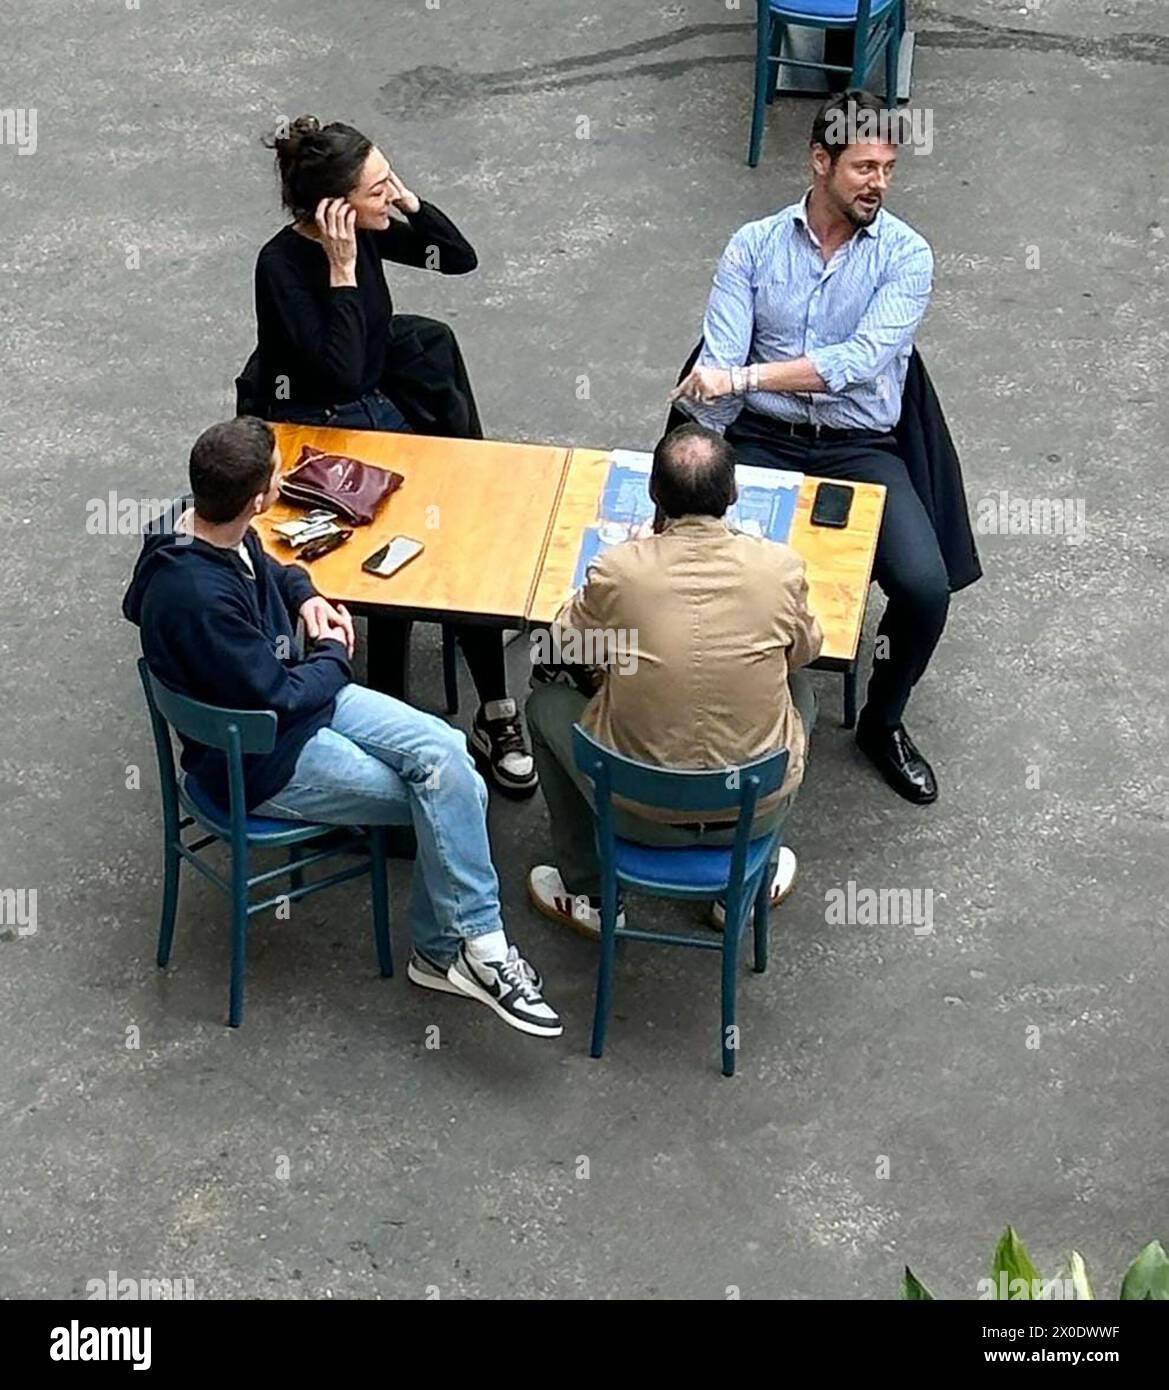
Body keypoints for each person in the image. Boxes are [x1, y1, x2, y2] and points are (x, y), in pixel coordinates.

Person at [122, 416, 560, 1038]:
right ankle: (462, 953)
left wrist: (304, 594)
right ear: (257, 498)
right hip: (264, 758)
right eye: (277, 475)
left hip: (297, 707)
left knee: (450, 756)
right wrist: (334, 655)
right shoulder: (200, 601)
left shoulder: (203, 526)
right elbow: (284, 694)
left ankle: (458, 951)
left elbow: (267, 565)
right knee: (446, 789)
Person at [671, 89, 948, 806]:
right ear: (819, 162)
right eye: (862, 167)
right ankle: (720, 716)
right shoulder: (752, 246)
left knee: (923, 587)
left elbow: (854, 360)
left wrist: (741, 375)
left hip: (860, 444)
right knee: (707, 570)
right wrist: (697, 463)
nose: (877, 183)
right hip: (762, 436)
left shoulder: (907, 254)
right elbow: (720, 361)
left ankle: (882, 721)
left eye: (887, 167)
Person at [249, 114, 535, 797]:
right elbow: (339, 374)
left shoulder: (371, 226)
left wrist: (407, 203)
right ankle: (395, 710)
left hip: (379, 397)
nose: (390, 197)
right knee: (412, 543)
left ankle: (494, 704)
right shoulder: (282, 266)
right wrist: (344, 273)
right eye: (377, 189)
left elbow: (456, 258)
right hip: (327, 424)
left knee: (459, 527)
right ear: (336, 211)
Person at [525, 423, 821, 937]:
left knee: (545, 704)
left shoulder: (619, 571)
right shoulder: (780, 568)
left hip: (638, 812)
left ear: (653, 495)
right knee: (800, 695)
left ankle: (591, 893)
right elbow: (804, 651)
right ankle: (747, 888)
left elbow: (565, 642)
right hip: (751, 812)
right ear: (732, 494)